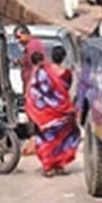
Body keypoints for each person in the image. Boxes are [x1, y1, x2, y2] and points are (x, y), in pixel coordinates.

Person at [26, 46, 81, 177]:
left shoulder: (43, 71)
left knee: (47, 139)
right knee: (62, 137)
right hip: (63, 110)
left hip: (46, 112)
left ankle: (48, 166)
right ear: (64, 58)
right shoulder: (67, 73)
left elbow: (35, 89)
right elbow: (66, 89)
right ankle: (58, 165)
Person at [14, 25, 47, 93]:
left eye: (19, 37)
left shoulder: (32, 46)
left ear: (26, 34)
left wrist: (29, 88)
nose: (18, 41)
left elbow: (34, 67)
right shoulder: (30, 46)